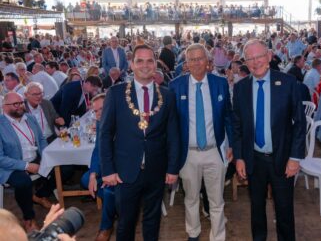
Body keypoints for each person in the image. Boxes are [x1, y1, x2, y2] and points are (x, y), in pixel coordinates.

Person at [99, 44, 180, 241]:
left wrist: (172, 168)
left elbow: (173, 135)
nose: (145, 65)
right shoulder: (116, 94)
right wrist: (108, 170)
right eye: (140, 61)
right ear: (132, 65)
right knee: (125, 223)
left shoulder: (167, 95)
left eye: (150, 60)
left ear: (156, 64)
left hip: (156, 169)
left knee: (152, 221)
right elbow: (105, 134)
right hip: (125, 171)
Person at [233, 40, 306, 241]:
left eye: (259, 57)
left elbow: (300, 123)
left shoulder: (288, 82)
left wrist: (295, 157)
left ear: (269, 56)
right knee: (256, 208)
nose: (255, 62)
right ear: (245, 62)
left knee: (284, 209)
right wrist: (239, 157)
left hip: (283, 159)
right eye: (250, 58)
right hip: (253, 159)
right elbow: (237, 126)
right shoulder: (240, 88)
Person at [169, 43, 233, 241]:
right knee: (191, 198)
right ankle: (193, 233)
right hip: (188, 153)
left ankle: (218, 236)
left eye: (200, 58)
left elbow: (229, 116)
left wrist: (231, 145)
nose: (196, 63)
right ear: (186, 63)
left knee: (217, 200)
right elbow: (171, 124)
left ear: (208, 61)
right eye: (192, 59)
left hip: (215, 151)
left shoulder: (220, 83)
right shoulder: (175, 86)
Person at [0, 92, 48, 232]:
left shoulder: (30, 118)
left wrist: (46, 156)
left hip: (34, 158)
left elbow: (41, 140)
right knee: (23, 182)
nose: (20, 106)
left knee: (62, 167)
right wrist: (26, 166)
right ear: (4, 106)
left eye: (21, 102)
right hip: (11, 165)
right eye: (16, 104)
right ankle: (29, 219)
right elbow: (1, 158)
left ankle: (38, 196)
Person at [80, 94, 116, 241]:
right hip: (106, 165)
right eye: (95, 111)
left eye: (102, 109)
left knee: (108, 191)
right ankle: (116, 206)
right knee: (85, 179)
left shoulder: (123, 122)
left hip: (121, 168)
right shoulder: (100, 123)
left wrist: (111, 173)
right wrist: (94, 174)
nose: (98, 113)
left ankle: (106, 227)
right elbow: (97, 150)